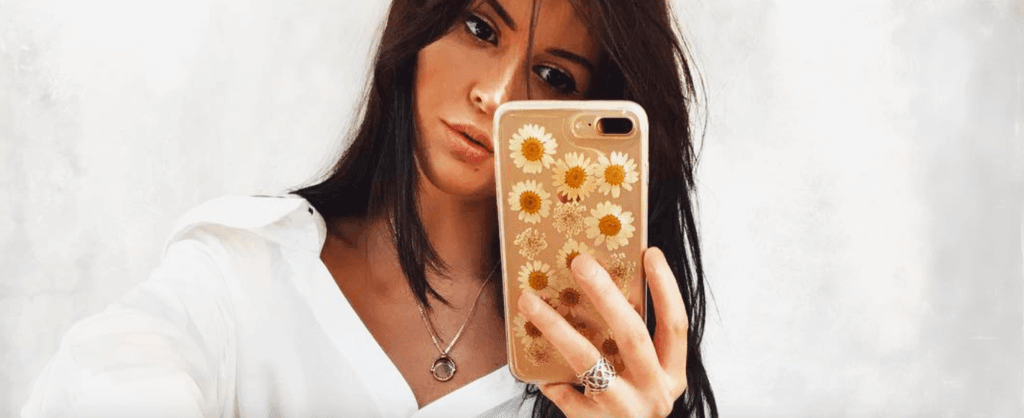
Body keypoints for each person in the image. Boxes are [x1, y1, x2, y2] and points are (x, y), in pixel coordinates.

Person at [20, 0, 717, 416]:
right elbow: (107, 378)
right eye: (480, 28)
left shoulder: (594, 369)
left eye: (554, 75)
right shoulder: (242, 272)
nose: (498, 94)